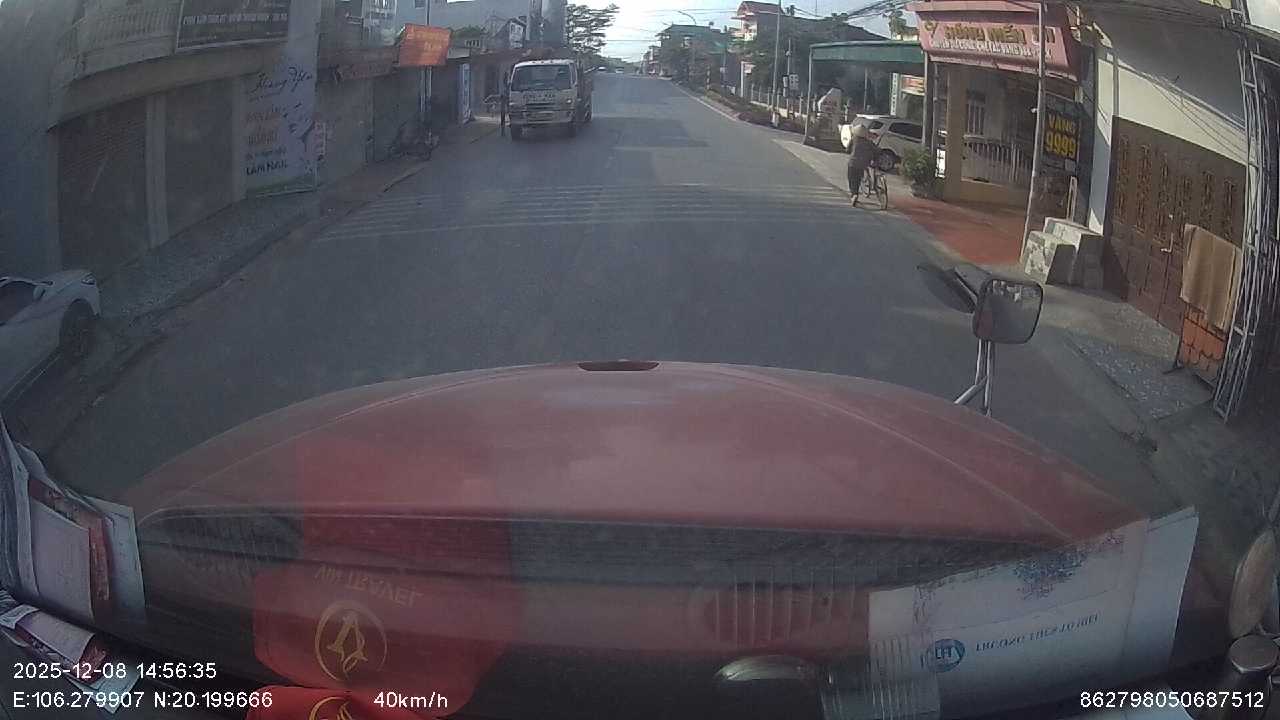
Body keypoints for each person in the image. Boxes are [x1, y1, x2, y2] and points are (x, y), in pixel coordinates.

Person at [847, 124, 877, 207]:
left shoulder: (854, 139)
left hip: (853, 162)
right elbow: (875, 150)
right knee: (858, 179)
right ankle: (855, 194)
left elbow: (848, 149)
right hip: (863, 164)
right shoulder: (868, 142)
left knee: (851, 178)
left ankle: (854, 194)